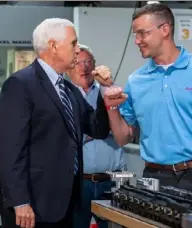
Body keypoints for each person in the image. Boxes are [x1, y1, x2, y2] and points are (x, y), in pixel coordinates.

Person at [98, 3, 192, 200]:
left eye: (142, 33)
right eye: (135, 35)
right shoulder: (135, 81)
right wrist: (112, 107)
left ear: (165, 30)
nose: (137, 41)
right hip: (154, 180)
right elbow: (123, 137)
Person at [0, 18, 111, 228]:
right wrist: (20, 201)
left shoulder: (69, 90)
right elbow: (11, 149)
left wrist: (105, 91)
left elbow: (98, 129)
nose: (78, 50)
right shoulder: (20, 85)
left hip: (65, 204)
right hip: (31, 206)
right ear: (53, 46)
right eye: (74, 43)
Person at [65, 44, 125, 228]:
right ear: (68, 68)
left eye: (88, 61)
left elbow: (123, 131)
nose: (84, 67)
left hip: (111, 182)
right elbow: (66, 138)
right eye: (78, 62)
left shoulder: (110, 91)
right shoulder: (64, 96)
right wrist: (98, 133)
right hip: (79, 183)